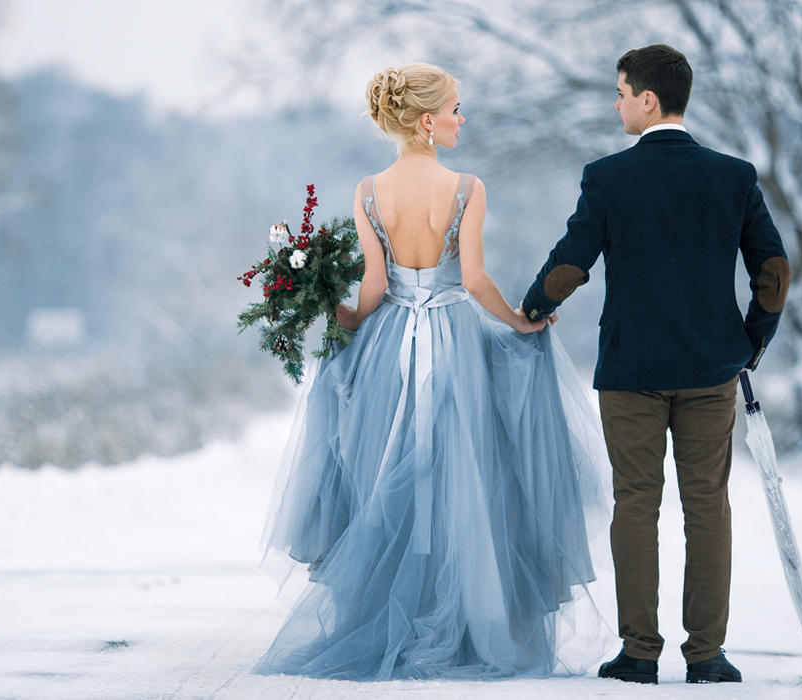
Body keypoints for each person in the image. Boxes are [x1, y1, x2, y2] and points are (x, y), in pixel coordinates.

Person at [255, 63, 612, 681]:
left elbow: (371, 292)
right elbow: (472, 281)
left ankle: (395, 612)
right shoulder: (466, 187)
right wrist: (520, 323)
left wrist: (329, 310)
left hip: (390, 343)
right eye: (453, 109)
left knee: (387, 471)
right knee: (468, 474)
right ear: (426, 121)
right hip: (453, 339)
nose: (460, 119)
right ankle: (469, 623)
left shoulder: (369, 190)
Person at [521, 44, 790, 685]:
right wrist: (749, 344)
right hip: (710, 370)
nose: (615, 104)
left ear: (648, 99)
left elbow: (571, 263)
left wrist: (534, 305)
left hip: (631, 371)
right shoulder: (734, 176)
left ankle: (639, 653)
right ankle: (707, 657)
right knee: (708, 507)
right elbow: (774, 272)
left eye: (620, 92)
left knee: (635, 505)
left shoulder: (609, 177)